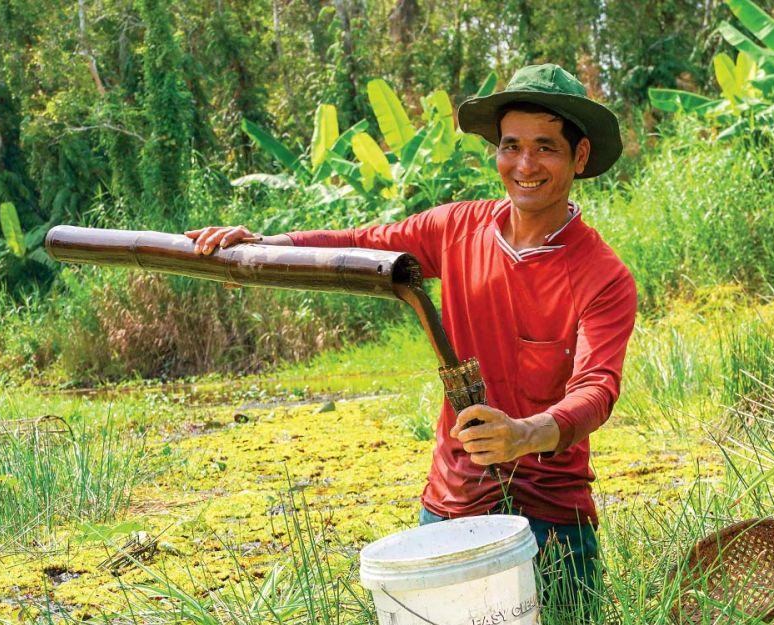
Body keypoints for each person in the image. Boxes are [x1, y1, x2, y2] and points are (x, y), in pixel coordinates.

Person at [187, 64, 636, 619]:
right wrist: (265, 244)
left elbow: (596, 389)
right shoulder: (457, 228)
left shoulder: (602, 275)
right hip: (453, 506)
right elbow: (361, 244)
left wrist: (525, 434)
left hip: (553, 520)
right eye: (510, 145)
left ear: (581, 156)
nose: (524, 165)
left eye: (545, 147)